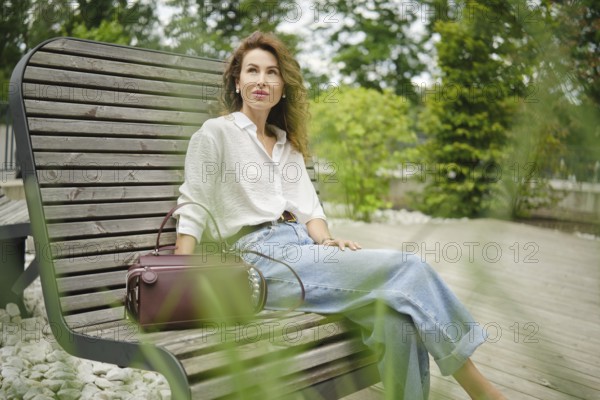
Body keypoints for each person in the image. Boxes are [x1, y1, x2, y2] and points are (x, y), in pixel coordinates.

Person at [174, 31, 506, 399]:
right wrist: (179, 274)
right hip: (259, 262)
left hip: (301, 251)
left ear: (283, 86)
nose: (261, 81)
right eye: (252, 71)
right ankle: (484, 392)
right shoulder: (215, 134)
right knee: (408, 268)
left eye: (272, 73)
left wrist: (327, 242)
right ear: (237, 82)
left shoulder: (285, 143)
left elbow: (309, 209)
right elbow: (192, 204)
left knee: (397, 323)